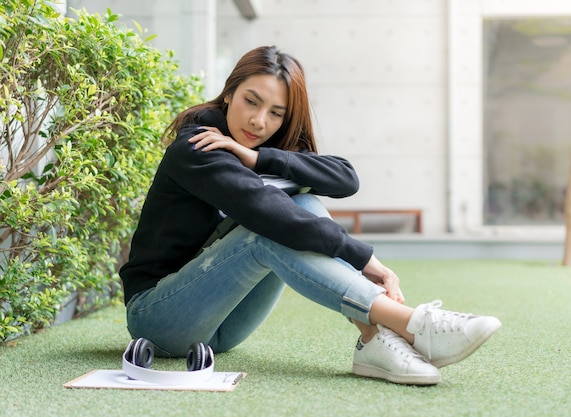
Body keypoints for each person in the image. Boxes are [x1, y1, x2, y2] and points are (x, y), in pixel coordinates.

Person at [119, 45, 501, 385]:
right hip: (158, 319)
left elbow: (345, 178)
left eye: (275, 113)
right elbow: (263, 210)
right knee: (267, 226)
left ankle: (374, 339)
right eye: (251, 101)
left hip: (222, 327)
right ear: (230, 91)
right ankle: (412, 324)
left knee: (299, 204)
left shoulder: (260, 147)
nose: (259, 122)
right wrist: (365, 259)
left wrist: (259, 157)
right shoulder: (197, 146)